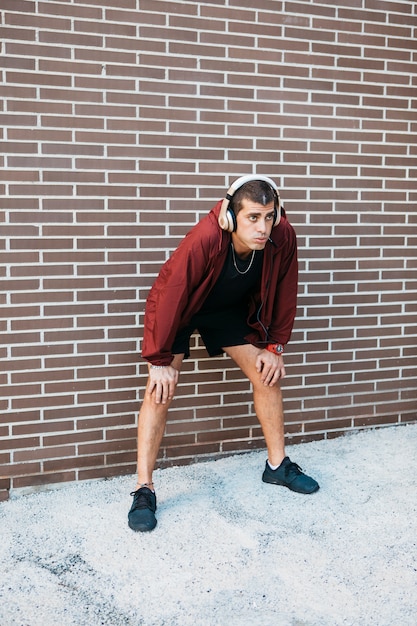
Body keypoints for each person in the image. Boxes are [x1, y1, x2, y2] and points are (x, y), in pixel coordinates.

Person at [128, 175, 319, 532]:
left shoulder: (282, 236)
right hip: (183, 310)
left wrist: (275, 346)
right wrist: (158, 360)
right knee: (159, 391)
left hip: (228, 313)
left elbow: (286, 288)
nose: (262, 227)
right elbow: (168, 294)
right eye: (252, 217)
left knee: (268, 374)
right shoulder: (205, 238)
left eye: (269, 216)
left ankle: (277, 467)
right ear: (231, 217)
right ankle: (143, 488)